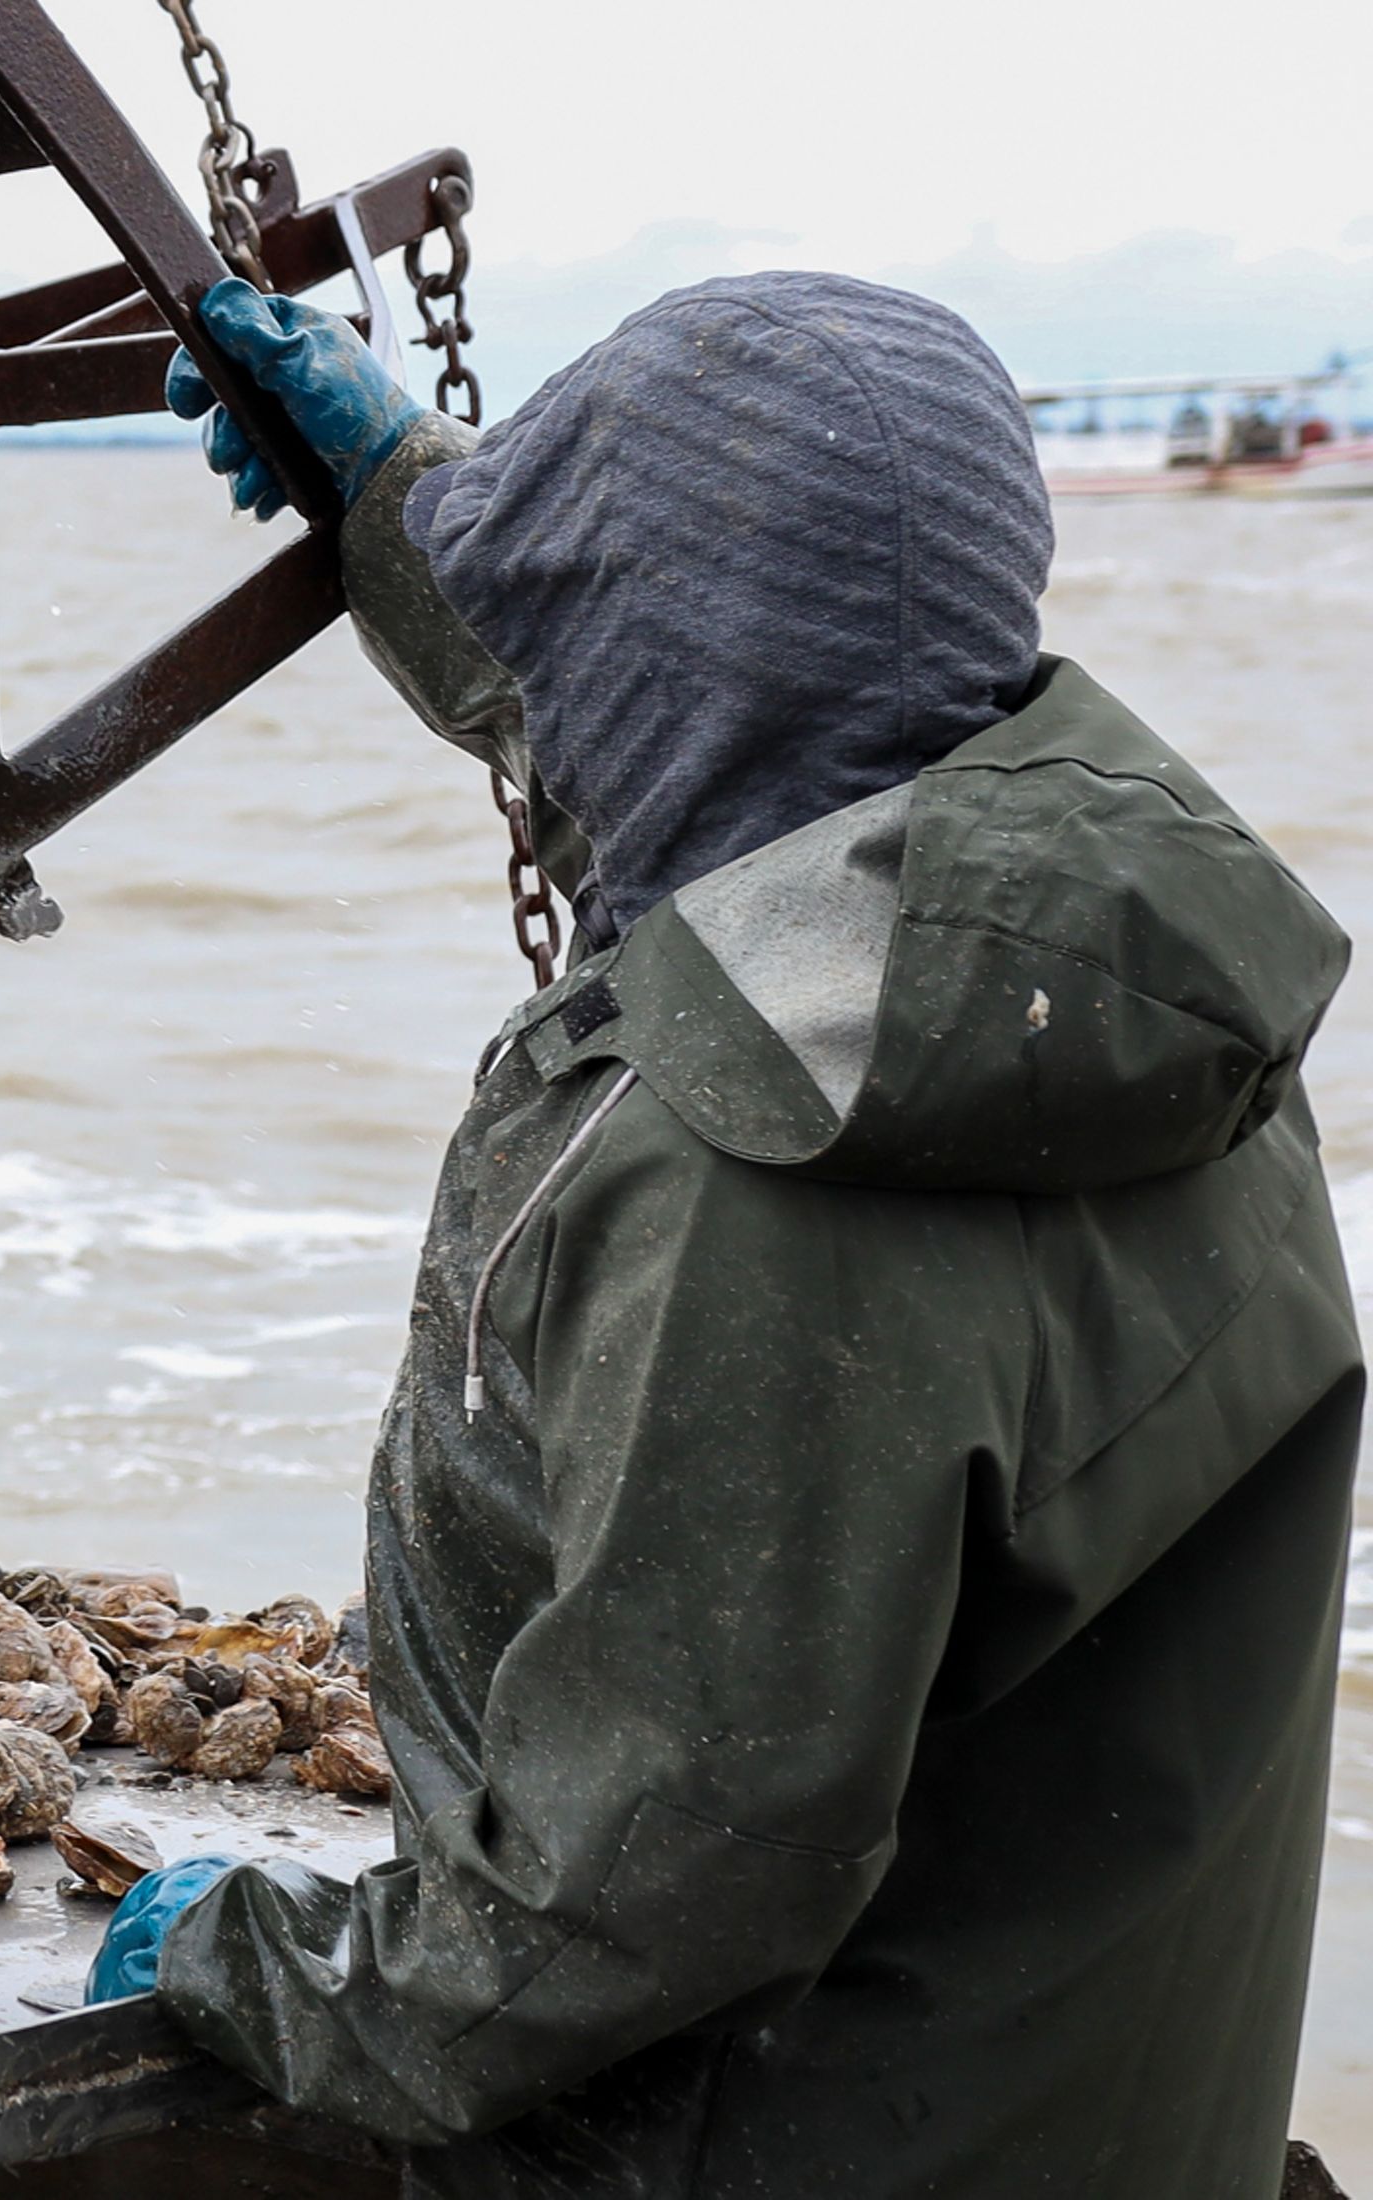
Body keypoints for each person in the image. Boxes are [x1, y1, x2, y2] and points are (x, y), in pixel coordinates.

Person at [91, 272, 1360, 2196]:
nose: (563, 662)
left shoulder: (756, 1181)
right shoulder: (1110, 993)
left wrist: (258, 1966)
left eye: (577, 595)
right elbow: (733, 717)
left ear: (659, 657)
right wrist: (409, 510)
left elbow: (647, 1890)